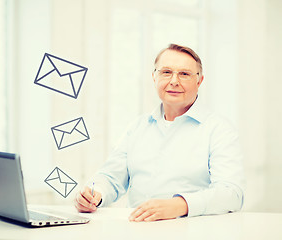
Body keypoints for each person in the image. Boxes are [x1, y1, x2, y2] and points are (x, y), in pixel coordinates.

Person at [74, 43, 245, 222]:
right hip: (137, 230)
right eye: (166, 72)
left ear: (199, 80)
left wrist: (180, 205)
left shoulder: (219, 129)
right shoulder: (137, 127)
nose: (174, 81)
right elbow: (110, 177)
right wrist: (93, 195)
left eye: (184, 74)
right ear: (154, 77)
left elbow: (231, 193)